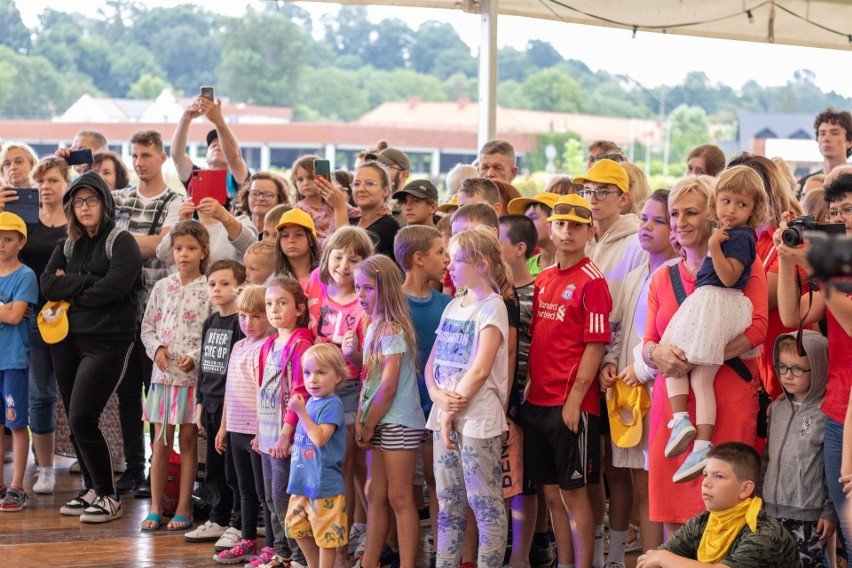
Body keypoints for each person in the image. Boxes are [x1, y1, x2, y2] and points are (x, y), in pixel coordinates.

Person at [642, 175, 768, 534]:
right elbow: (649, 341)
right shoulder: (662, 278)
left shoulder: (745, 265)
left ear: (712, 214)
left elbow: (757, 328)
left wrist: (700, 354)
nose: (681, 222)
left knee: (725, 516)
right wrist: (657, 353)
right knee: (675, 514)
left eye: (691, 212)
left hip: (728, 399)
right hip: (675, 410)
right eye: (675, 213)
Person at [42, 171, 143, 523]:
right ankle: (91, 489)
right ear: (71, 207)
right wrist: (87, 283)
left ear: (105, 203)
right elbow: (47, 286)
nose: (85, 207)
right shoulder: (66, 243)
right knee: (74, 420)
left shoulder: (122, 241)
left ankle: (109, 495)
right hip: (66, 341)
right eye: (79, 201)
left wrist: (71, 285)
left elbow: (113, 289)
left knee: (84, 416)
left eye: (92, 200)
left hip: (108, 342)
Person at [521, 194, 611, 568]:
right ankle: (564, 561)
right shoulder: (542, 279)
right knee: (552, 495)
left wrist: (574, 399)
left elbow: (595, 346)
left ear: (590, 231)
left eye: (576, 225)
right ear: (551, 230)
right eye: (560, 224)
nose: (567, 231)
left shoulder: (593, 281)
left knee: (576, 494)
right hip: (537, 402)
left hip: (572, 406)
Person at [775, 173, 852, 555]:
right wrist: (787, 259)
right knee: (846, 525)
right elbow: (792, 315)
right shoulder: (838, 267)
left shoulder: (831, 271)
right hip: (837, 409)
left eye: (850, 210)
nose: (842, 220)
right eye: (835, 212)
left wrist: (816, 269)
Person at [599, 189, 678, 558]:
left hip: (659, 388)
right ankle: (646, 558)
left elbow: (672, 342)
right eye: (644, 218)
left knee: (657, 489)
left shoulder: (679, 276)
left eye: (658, 221)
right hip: (629, 391)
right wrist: (610, 362)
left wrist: (641, 368)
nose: (646, 227)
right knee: (638, 483)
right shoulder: (634, 276)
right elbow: (620, 332)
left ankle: (659, 559)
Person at [426, 228, 509, 568]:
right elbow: (433, 360)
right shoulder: (453, 306)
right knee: (448, 503)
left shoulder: (493, 307)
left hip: (477, 420)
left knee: (485, 503)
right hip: (443, 412)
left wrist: (449, 412)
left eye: (459, 259)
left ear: (483, 265)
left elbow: (479, 368)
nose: (450, 264)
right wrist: (436, 396)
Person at [113, 130, 184, 495]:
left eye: (145, 155)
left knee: (156, 394)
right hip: (121, 313)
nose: (140, 162)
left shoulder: (175, 199)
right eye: (135, 155)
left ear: (161, 157)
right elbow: (96, 239)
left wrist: (118, 246)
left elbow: (163, 248)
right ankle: (134, 468)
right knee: (127, 394)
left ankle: (161, 470)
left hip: (159, 314)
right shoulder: (119, 198)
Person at [351, 255, 424, 568]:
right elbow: (369, 380)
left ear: (387, 289)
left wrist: (368, 425)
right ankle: (369, 561)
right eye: (357, 288)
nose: (361, 295)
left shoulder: (392, 329)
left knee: (400, 497)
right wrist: (361, 418)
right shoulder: (374, 326)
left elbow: (389, 385)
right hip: (380, 421)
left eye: (368, 288)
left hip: (398, 422)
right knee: (376, 493)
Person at [304, 226, 374, 552]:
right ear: (327, 256)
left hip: (350, 389)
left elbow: (366, 359)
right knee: (337, 465)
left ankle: (349, 535)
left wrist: (353, 352)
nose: (344, 265)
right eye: (338, 256)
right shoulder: (315, 288)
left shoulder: (363, 303)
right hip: (317, 391)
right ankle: (342, 536)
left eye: (354, 259)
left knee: (351, 465)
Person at [140, 220, 211, 531]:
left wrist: (194, 358)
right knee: (160, 441)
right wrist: (156, 349)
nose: (184, 254)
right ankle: (156, 507)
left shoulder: (209, 289)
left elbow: (211, 333)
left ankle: (184, 507)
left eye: (191, 248)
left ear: (203, 251)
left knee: (188, 440)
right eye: (179, 248)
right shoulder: (162, 287)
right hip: (162, 379)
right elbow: (147, 328)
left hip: (192, 380)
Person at [6, 157, 70, 494]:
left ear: (66, 184)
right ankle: (44, 469)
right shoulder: (25, 221)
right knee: (39, 396)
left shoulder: (74, 223)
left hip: (68, 320)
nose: (46, 187)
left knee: (75, 397)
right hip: (31, 321)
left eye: (53, 180)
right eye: (41, 181)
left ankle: (87, 466)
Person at [637, 442, 797, 568]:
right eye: (705, 475)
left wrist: (663, 558)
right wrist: (661, 558)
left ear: (745, 489)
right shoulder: (702, 522)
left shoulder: (764, 533)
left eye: (719, 476)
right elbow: (653, 560)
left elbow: (662, 557)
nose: (706, 483)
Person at [394, 224, 452, 566]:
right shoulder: (392, 304)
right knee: (400, 493)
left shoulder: (447, 304)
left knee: (438, 485)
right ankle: (407, 556)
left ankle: (442, 553)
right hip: (399, 413)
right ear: (418, 258)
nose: (446, 260)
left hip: (435, 411)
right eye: (439, 252)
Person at [726, 152, 804, 399]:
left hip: (781, 376)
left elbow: (759, 299)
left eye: (742, 196)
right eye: (726, 197)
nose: (732, 207)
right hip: (743, 370)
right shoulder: (735, 237)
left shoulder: (790, 236)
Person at [184, 259, 246, 545]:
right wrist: (198, 404)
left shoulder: (240, 324)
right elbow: (205, 368)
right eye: (212, 284)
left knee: (233, 469)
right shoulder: (210, 321)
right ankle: (218, 518)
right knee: (213, 467)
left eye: (225, 284)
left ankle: (237, 522)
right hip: (208, 403)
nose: (217, 289)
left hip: (229, 407)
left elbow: (236, 371)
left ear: (239, 287)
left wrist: (226, 411)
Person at [255, 277, 315, 568]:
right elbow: (263, 389)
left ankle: (301, 555)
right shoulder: (269, 343)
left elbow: (300, 392)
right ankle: (283, 551)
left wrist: (286, 435)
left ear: (299, 307)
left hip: (285, 436)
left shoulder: (301, 342)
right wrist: (258, 432)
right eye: (269, 303)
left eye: (282, 302)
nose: (274, 309)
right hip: (267, 435)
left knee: (284, 497)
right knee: (269, 497)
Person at [763, 331, 836, 567]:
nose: (787, 375)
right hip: (771, 512)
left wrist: (829, 511)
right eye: (782, 367)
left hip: (808, 515)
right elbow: (767, 458)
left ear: (819, 369)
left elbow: (831, 470)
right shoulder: (778, 409)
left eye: (797, 369)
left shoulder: (825, 414)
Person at [212, 285, 270, 564]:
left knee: (263, 491)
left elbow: (263, 392)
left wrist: (261, 431)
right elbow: (230, 390)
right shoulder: (237, 346)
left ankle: (271, 544)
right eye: (244, 316)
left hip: (257, 433)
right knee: (244, 489)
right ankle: (247, 539)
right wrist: (224, 427)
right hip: (236, 429)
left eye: (256, 316)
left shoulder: (266, 347)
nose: (249, 323)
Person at [496, 214, 541, 568]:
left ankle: (522, 556)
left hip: (525, 396)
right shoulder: (490, 294)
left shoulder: (538, 291)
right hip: (494, 396)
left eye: (499, 242)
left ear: (519, 249)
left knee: (524, 479)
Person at [285, 344, 350, 568]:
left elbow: (320, 438)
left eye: (321, 372)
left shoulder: (332, 405)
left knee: (326, 536)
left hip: (324, 484)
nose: (313, 379)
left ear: (338, 376)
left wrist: (300, 413)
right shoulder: (312, 401)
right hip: (302, 481)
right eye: (307, 372)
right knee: (295, 526)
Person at [0, 212, 38, 512]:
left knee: (16, 423)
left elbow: (15, 316)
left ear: (21, 241)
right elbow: (9, 312)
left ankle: (17, 487)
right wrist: (7, 308)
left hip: (13, 361)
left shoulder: (25, 275)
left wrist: (11, 310)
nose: (1, 244)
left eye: (8, 239)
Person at [171, 96, 250, 201]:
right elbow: (177, 157)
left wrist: (219, 121)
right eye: (212, 145)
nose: (217, 146)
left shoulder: (238, 179)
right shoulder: (196, 177)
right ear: (206, 156)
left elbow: (235, 158)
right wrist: (186, 118)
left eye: (223, 146)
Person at [157, 185, 257, 267]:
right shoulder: (189, 227)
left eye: (212, 189)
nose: (206, 195)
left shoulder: (240, 221)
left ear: (224, 194)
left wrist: (224, 216)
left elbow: (252, 249)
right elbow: (163, 256)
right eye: (200, 189)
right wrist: (182, 224)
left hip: (228, 289)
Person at [291, 155, 352, 245]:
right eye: (300, 179)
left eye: (311, 178)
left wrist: (378, 209)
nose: (305, 183)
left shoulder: (333, 202)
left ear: (324, 178)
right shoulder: (299, 209)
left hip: (336, 248)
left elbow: (356, 213)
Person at [350, 162, 401, 259]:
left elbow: (349, 254)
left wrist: (339, 207)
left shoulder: (388, 225)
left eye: (369, 183)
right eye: (356, 184)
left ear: (385, 191)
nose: (361, 189)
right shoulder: (351, 219)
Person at [798, 108, 852, 194]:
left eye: (834, 133)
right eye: (822, 133)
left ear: (849, 142)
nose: (826, 139)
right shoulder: (804, 185)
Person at [506, 192, 560, 277]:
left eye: (533, 218)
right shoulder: (524, 269)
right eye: (526, 219)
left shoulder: (575, 267)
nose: (527, 224)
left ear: (556, 221)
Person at [274, 209, 320, 286]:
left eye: (298, 235)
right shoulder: (275, 281)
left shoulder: (326, 275)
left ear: (311, 240)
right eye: (285, 235)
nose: (291, 240)